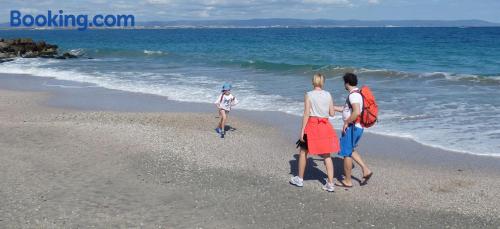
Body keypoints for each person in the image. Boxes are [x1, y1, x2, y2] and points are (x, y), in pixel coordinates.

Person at [290, 73, 340, 192]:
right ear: (322, 82)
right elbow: (332, 113)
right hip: (325, 126)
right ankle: (330, 184)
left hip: (312, 126)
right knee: (327, 155)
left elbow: (306, 113)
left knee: (303, 152)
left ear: (313, 82)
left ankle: (300, 179)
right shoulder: (328, 94)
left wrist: (302, 130)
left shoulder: (309, 94)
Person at [334, 73, 373, 188]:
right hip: (357, 126)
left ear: (346, 83)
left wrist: (346, 123)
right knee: (350, 150)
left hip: (352, 127)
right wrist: (332, 108)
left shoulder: (353, 96)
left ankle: (347, 181)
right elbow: (347, 110)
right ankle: (366, 170)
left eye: (344, 83)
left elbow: (356, 112)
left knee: (346, 153)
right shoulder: (356, 94)